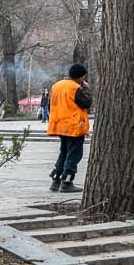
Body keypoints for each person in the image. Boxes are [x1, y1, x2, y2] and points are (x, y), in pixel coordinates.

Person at [46, 64, 92, 193]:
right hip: (74, 125)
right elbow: (86, 103)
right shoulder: (75, 87)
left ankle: (56, 180)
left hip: (60, 124)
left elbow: (50, 105)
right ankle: (67, 182)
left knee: (64, 152)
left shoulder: (56, 85)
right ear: (80, 77)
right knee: (74, 154)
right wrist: (86, 89)